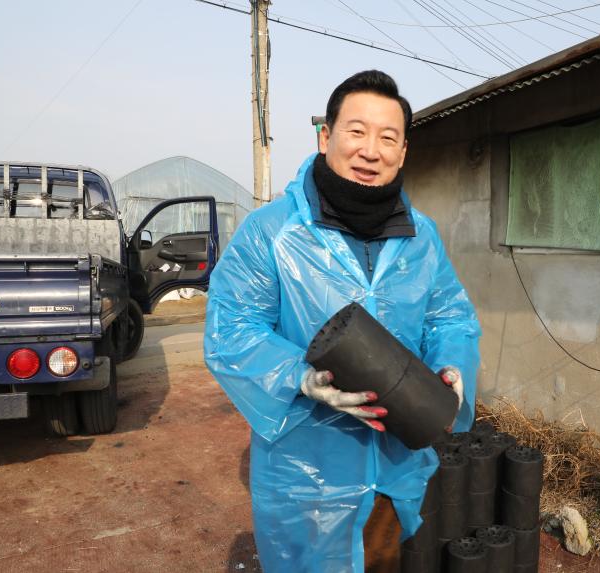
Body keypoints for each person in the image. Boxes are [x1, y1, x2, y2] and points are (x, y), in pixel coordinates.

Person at [204, 70, 481, 573]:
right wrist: (300, 376)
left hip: (399, 465)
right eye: (357, 131)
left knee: (389, 562)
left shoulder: (422, 237)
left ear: (403, 152)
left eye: (388, 138)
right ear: (326, 136)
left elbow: (449, 316)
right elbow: (233, 329)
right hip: (307, 475)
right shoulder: (272, 232)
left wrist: (452, 364)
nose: (370, 151)